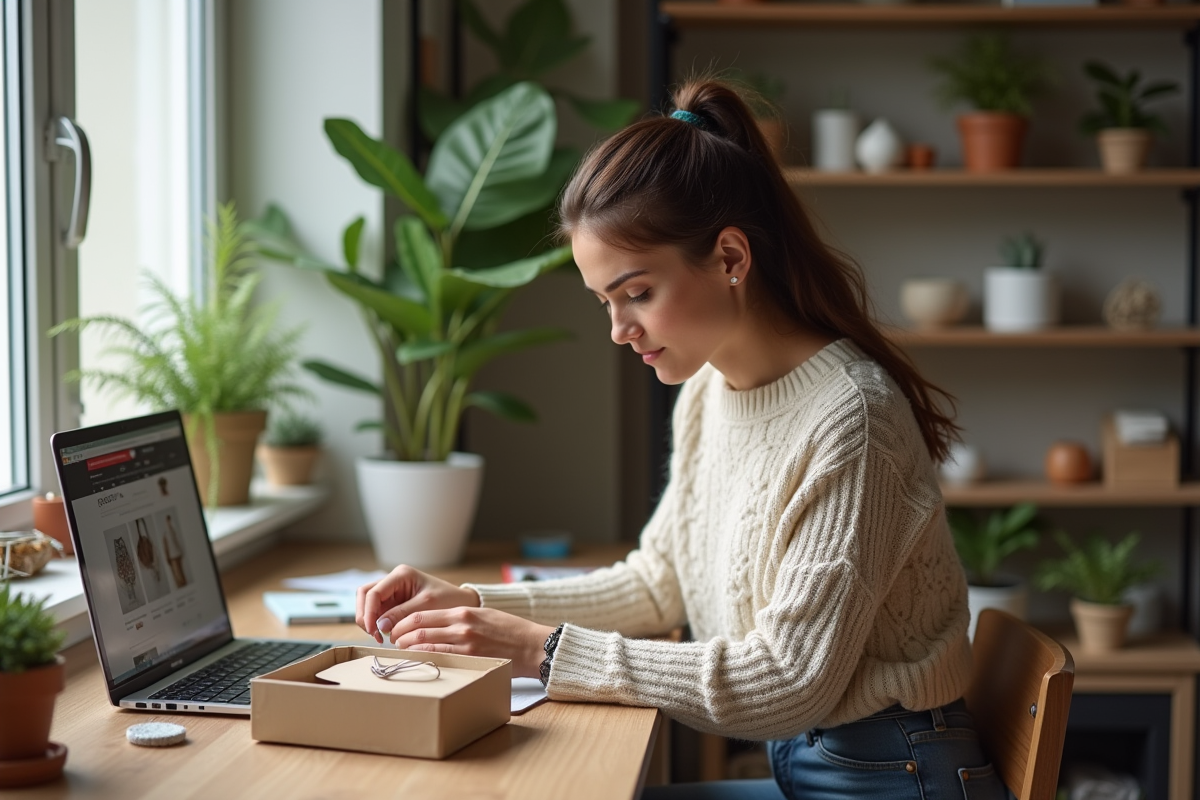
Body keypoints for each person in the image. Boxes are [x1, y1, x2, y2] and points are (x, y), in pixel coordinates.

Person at [356, 78, 1004, 800]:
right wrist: (471, 608)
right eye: (606, 301)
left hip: (894, 777)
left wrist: (540, 651)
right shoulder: (708, 389)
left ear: (730, 258)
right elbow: (660, 580)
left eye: (637, 293)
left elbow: (788, 683)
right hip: (818, 765)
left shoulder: (851, 419)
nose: (619, 330)